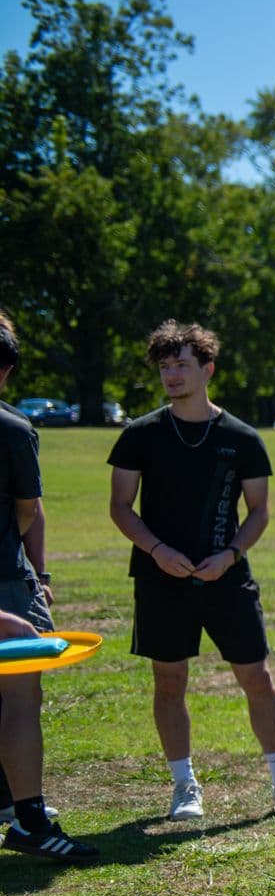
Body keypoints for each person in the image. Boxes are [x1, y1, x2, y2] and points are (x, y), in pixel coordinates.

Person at [107, 321, 275, 821]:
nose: (172, 375)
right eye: (165, 367)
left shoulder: (242, 438)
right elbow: (120, 507)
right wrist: (157, 550)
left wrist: (230, 555)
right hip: (161, 577)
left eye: (182, 364)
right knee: (169, 681)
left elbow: (260, 511)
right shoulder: (140, 435)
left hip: (226, 576)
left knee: (257, 676)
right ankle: (184, 785)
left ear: (207, 369)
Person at [0, 312, 89, 862]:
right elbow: (29, 510)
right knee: (20, 698)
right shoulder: (13, 429)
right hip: (5, 580)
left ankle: (13, 806)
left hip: (14, 576)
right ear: (6, 372)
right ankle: (29, 818)